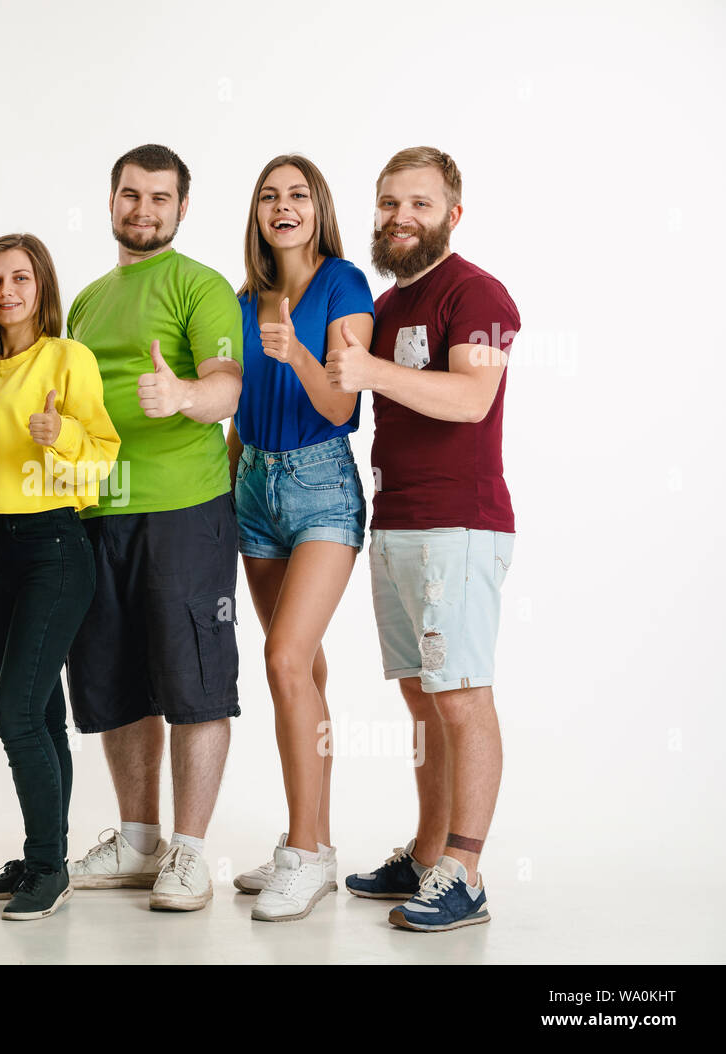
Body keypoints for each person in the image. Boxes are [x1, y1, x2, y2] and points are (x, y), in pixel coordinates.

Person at [325, 146, 520, 932]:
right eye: (388, 202)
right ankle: (428, 847)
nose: (401, 217)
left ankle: (464, 872)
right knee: (421, 696)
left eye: (420, 204)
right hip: (397, 520)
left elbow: (474, 398)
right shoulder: (386, 300)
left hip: (460, 524)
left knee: (461, 695)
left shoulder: (476, 291)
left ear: (452, 215)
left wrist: (370, 372)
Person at [65, 144, 244, 911]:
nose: (143, 210)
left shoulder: (199, 287)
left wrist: (183, 398)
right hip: (98, 512)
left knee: (194, 680)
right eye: (131, 195)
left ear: (181, 208)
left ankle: (190, 853)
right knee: (116, 681)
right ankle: (139, 841)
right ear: (111, 202)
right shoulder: (84, 301)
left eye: (160, 198)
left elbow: (226, 387)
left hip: (184, 510)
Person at [0, 234, 120, 921]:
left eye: (21, 278)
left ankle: (49, 867)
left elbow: (103, 454)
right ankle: (44, 854)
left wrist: (60, 437)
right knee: (41, 714)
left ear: (42, 287)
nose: (7, 292)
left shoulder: (67, 358)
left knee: (15, 712)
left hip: (54, 546)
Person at [225, 155, 375, 922]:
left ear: (319, 208)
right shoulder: (244, 298)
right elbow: (235, 409)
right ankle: (306, 837)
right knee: (303, 669)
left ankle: (308, 855)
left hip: (321, 486)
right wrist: (225, 494)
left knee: (282, 660)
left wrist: (300, 352)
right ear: (256, 212)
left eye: (298, 195)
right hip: (253, 486)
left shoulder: (344, 283)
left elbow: (344, 403)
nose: (284, 207)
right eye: (269, 196)